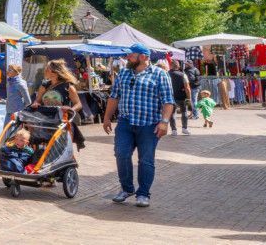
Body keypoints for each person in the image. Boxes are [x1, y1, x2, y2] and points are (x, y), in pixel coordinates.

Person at [103, 43, 174, 208]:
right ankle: (127, 189)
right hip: (125, 122)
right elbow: (114, 97)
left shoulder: (160, 74)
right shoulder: (124, 74)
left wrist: (164, 122)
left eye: (131, 55)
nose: (127, 58)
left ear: (143, 57)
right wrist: (107, 117)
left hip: (149, 125)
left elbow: (168, 101)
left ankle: (143, 194)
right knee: (121, 154)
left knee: (146, 160)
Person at [32, 60, 86, 150]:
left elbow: (78, 104)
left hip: (62, 121)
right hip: (45, 121)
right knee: (44, 147)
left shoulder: (68, 86)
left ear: (54, 72)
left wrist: (70, 109)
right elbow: (37, 101)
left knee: (60, 149)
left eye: (47, 69)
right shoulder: (44, 86)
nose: (44, 70)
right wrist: (36, 103)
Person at [165, 60, 194, 136]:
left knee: (172, 113)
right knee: (184, 111)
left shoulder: (166, 74)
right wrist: (189, 98)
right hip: (182, 96)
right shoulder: (183, 75)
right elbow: (187, 87)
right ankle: (184, 128)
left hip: (170, 96)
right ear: (178, 66)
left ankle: (174, 130)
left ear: (170, 66)